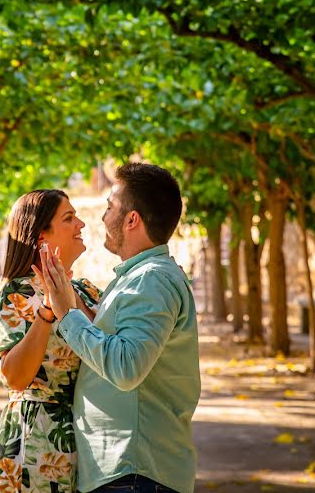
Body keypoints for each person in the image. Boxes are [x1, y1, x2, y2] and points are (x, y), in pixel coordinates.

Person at [35, 163, 200, 493]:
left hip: (134, 473)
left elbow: (126, 367)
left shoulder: (151, 280)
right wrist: (70, 300)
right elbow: (114, 339)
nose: (101, 217)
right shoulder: (139, 278)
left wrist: (67, 314)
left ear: (132, 219)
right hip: (128, 472)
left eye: (110, 207)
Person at [0, 189, 101, 493]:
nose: (81, 224)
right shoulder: (17, 295)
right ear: (41, 237)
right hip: (34, 448)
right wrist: (47, 312)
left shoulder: (87, 290)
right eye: (69, 218)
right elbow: (16, 376)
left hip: (89, 443)